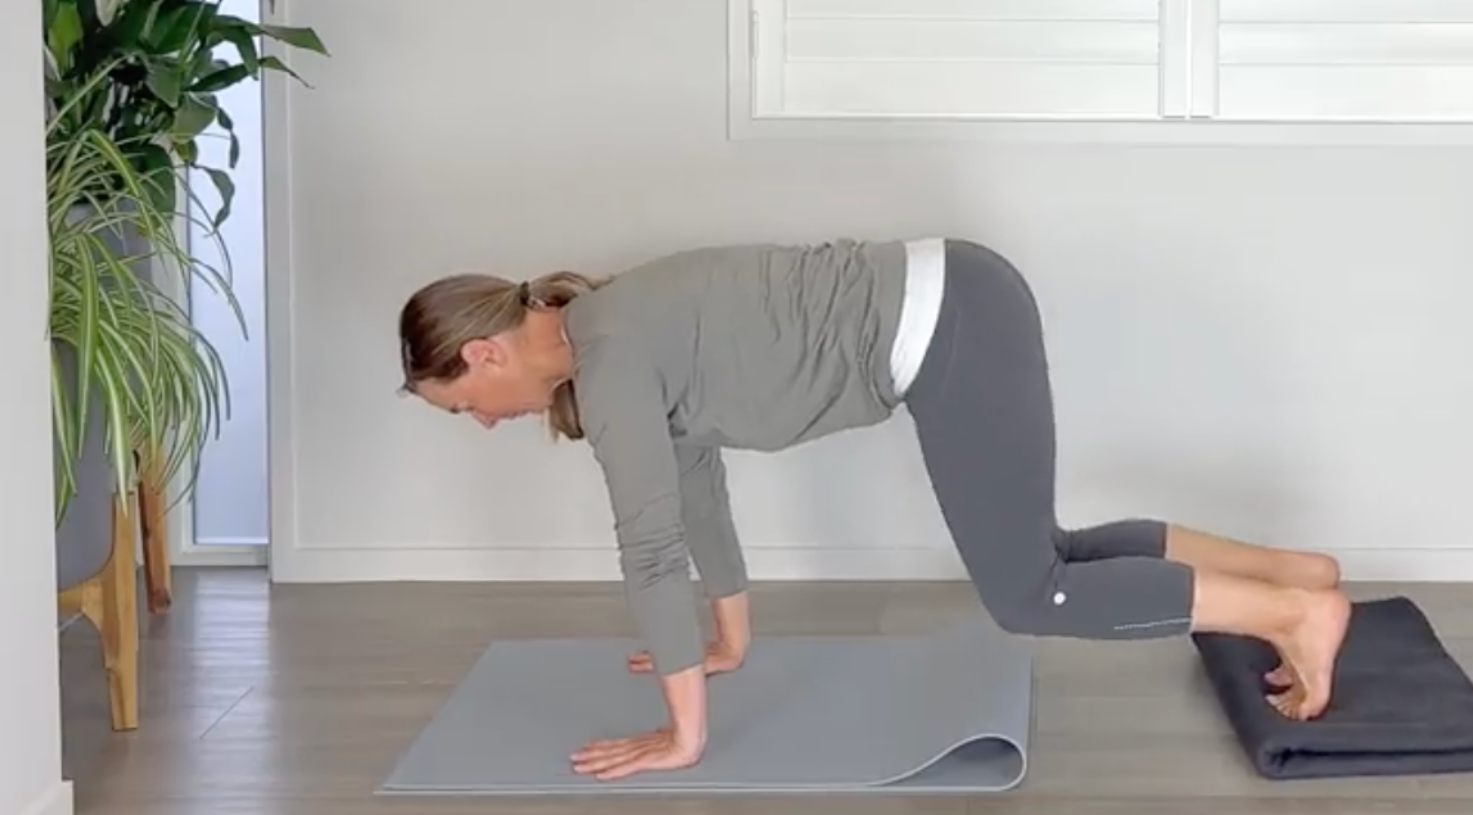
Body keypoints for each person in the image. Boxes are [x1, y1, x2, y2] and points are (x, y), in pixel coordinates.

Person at [396, 237, 1353, 780]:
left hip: (947, 326)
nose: (483, 423)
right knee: (1043, 552)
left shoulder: (609, 363)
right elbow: (695, 494)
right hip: (964, 295)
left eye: (463, 406)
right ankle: (1292, 575)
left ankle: (1289, 614)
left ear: (483, 354)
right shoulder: (613, 333)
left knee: (1029, 593)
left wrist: (683, 738)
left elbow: (648, 551)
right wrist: (729, 640)